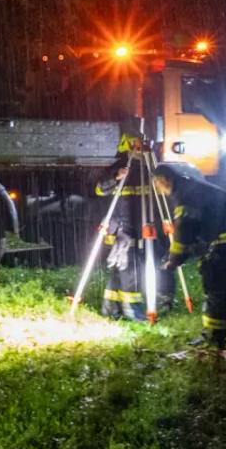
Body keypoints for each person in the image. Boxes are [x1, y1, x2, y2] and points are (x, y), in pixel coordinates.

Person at [153, 162, 226, 353]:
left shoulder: (185, 195)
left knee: (217, 288)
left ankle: (213, 337)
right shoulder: (196, 188)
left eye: (158, 184)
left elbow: (184, 231)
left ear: (165, 179)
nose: (158, 190)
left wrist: (174, 259)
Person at [94, 136, 175, 321]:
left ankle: (112, 308)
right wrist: (116, 177)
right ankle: (131, 309)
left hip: (144, 226)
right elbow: (99, 189)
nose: (139, 150)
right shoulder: (119, 167)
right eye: (136, 146)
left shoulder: (151, 168)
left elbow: (163, 195)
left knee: (126, 268)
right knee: (128, 268)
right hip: (124, 229)